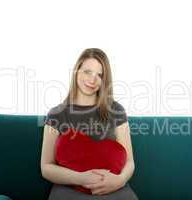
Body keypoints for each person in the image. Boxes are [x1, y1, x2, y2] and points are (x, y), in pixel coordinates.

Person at [40, 48, 139, 200]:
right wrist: (81, 178)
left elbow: (130, 162)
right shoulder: (57, 114)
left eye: (99, 75)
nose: (93, 80)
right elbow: (46, 167)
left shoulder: (116, 110)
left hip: (113, 188)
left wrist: (120, 180)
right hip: (69, 189)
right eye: (87, 72)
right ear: (76, 71)